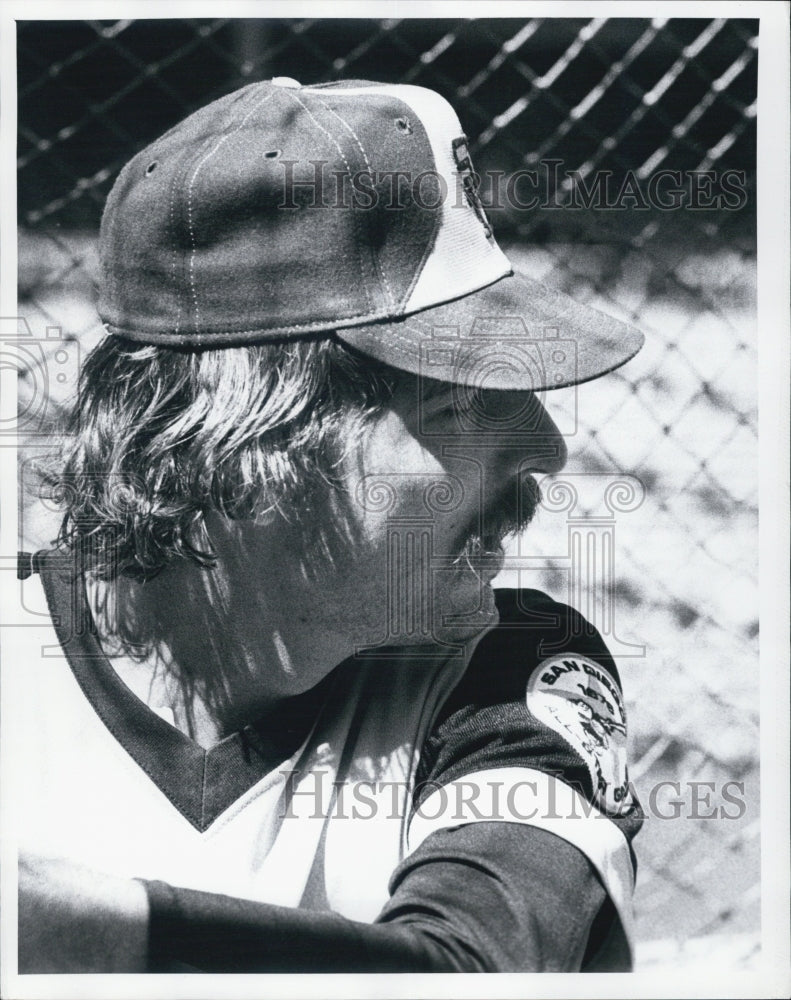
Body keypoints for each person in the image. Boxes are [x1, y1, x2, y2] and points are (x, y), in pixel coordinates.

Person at [14, 77, 645, 974]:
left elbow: (482, 968)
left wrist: (80, 933)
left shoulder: (508, 671)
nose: (543, 447)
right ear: (243, 441)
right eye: (462, 402)